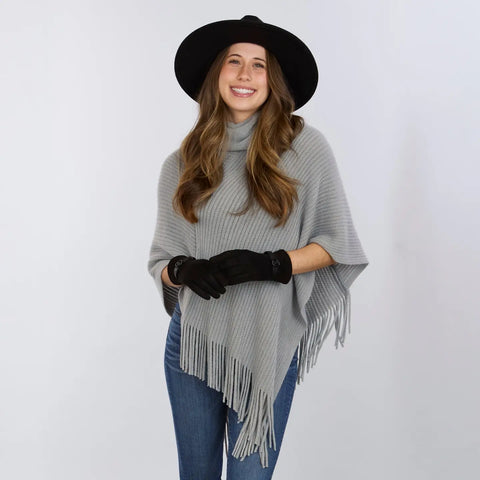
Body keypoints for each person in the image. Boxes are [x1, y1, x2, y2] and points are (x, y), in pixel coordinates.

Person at [148, 15, 369, 480]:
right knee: (196, 474)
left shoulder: (305, 149)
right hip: (193, 342)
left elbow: (336, 243)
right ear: (216, 74)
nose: (245, 75)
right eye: (234, 62)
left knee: (251, 475)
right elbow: (161, 260)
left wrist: (272, 264)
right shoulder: (182, 163)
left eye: (259, 65)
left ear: (274, 81)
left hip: (266, 343)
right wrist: (184, 270)